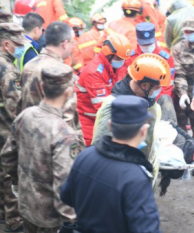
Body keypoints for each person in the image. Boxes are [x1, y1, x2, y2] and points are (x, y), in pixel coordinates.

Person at [60, 95, 162, 233]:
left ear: (109, 125)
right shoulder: (136, 177)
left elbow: (66, 197)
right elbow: (146, 229)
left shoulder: (85, 156)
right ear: (143, 131)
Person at [1, 63, 77, 232]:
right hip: (50, 218)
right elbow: (63, 182)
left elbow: (7, 156)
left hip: (26, 205)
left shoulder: (25, 115)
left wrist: (17, 183)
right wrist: (70, 220)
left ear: (42, 87)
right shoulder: (64, 133)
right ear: (68, 93)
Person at [92, 54, 173, 186]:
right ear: (145, 85)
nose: (160, 91)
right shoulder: (112, 105)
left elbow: (150, 142)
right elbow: (100, 147)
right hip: (121, 181)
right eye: (158, 87)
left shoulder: (152, 105)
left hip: (142, 175)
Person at [18, 21, 85, 150]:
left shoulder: (29, 65)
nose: (73, 46)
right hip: (53, 143)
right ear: (65, 44)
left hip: (28, 138)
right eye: (72, 42)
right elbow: (68, 117)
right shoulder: (61, 71)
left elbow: (21, 103)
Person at [76, 33, 131, 146]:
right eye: (118, 58)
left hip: (105, 121)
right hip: (89, 125)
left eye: (122, 59)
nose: (121, 61)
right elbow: (103, 107)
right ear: (108, 53)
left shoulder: (116, 67)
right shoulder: (94, 72)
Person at [0, 22, 29, 233]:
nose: (21, 48)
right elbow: (16, 111)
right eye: (18, 44)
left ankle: (2, 214)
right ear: (6, 44)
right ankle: (14, 224)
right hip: (4, 133)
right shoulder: (8, 71)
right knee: (10, 178)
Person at [128, 22, 175, 99]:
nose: (147, 47)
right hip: (138, 97)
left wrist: (156, 102)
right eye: (144, 44)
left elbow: (167, 85)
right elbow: (129, 82)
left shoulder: (166, 59)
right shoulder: (131, 58)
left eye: (149, 44)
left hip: (159, 96)